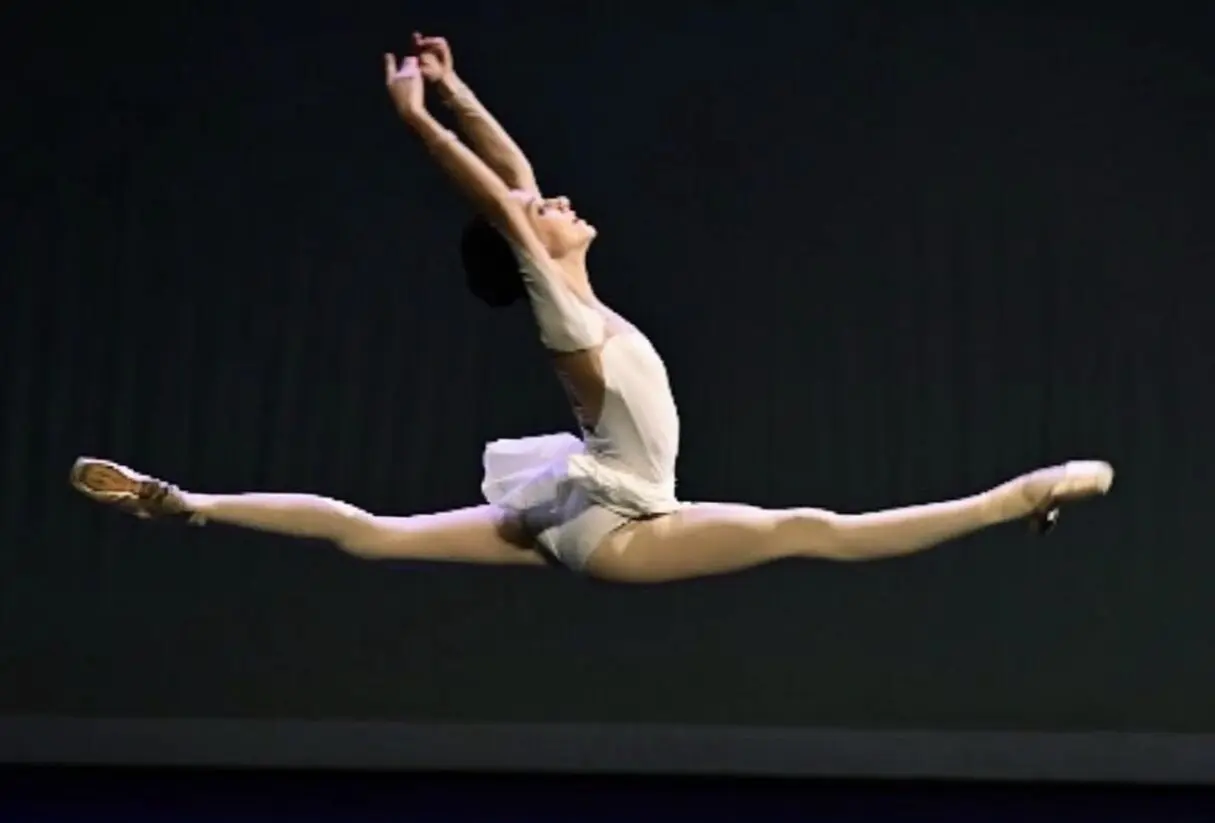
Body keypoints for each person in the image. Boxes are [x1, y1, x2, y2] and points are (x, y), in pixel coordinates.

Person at [69, 34, 1114, 584]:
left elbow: (514, 178)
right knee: (811, 531)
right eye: (543, 216)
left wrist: (459, 90)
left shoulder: (574, 295)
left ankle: (187, 502)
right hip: (620, 527)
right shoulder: (565, 321)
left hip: (582, 498)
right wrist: (419, 123)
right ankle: (1015, 498)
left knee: (373, 536)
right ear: (530, 250)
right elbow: (501, 202)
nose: (556, 202)